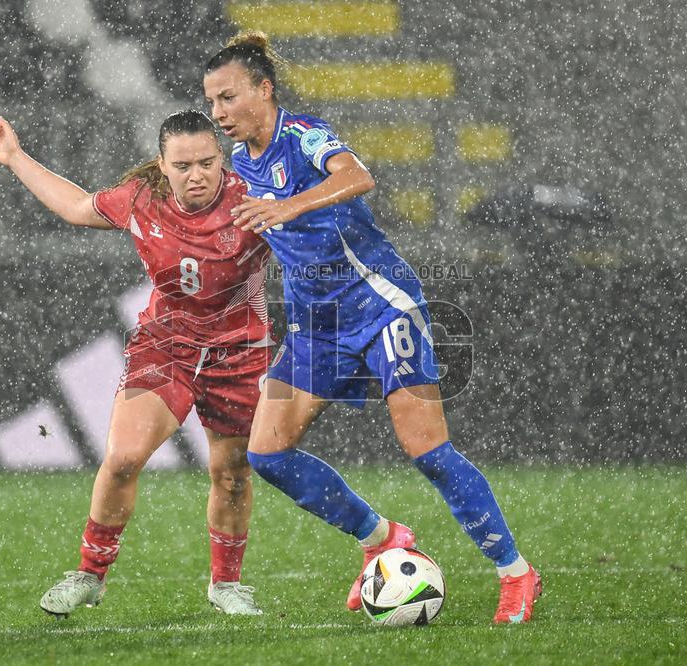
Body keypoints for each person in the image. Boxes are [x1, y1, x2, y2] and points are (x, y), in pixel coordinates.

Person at [202, 32, 542, 624]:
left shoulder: (304, 136)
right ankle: (382, 538)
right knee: (267, 454)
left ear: (264, 89)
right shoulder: (240, 163)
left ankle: (516, 574)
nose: (219, 113)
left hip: (382, 305)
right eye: (212, 102)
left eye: (228, 98)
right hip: (317, 326)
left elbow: (358, 176)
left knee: (428, 451)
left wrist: (290, 206)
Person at [0, 109, 273, 617]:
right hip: (167, 345)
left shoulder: (254, 199)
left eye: (206, 162)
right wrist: (14, 156)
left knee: (232, 474)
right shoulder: (142, 198)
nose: (196, 174)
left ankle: (226, 584)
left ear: (222, 158)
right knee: (123, 458)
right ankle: (90, 575)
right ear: (162, 163)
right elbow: (76, 206)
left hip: (239, 351)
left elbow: (318, 234)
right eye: (182, 165)